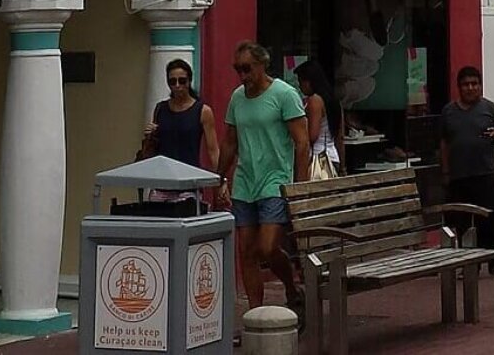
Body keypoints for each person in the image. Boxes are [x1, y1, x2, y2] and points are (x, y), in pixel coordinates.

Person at [218, 40, 310, 310]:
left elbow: (302, 143)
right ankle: (255, 315)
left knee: (267, 248)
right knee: (246, 253)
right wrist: (219, 176)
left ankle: (292, 288)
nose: (242, 76)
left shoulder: (284, 94)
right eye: (238, 69)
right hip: (246, 181)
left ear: (261, 65)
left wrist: (299, 188)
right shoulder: (237, 97)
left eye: (247, 69)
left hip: (275, 180)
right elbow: (230, 141)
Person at [439, 66, 494, 252]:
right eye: (466, 84)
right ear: (459, 87)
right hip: (459, 176)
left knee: (487, 218)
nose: (470, 88)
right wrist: (445, 171)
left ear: (480, 86)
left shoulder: (490, 108)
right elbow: (443, 143)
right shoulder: (448, 112)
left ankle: (491, 256)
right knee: (461, 219)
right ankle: (468, 259)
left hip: (485, 173)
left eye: (474, 84)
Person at [139, 57, 221, 202]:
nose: (177, 86)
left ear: (189, 81)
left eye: (182, 81)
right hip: (162, 183)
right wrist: (150, 135)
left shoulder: (202, 111)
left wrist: (221, 180)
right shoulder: (161, 109)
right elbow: (152, 146)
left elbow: (213, 150)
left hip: (189, 183)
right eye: (172, 81)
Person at [293, 60, 342, 181]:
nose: (300, 86)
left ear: (309, 81)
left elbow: (312, 135)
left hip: (317, 158)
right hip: (332, 156)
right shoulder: (335, 102)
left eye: (301, 81)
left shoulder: (314, 100)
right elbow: (340, 136)